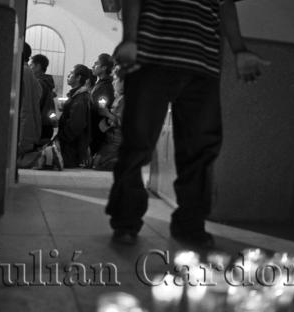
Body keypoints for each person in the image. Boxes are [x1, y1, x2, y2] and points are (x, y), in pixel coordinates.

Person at [106, 0, 270, 246]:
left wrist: (239, 49)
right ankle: (126, 221)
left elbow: (225, 5)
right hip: (152, 58)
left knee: (201, 150)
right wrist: (130, 38)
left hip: (202, 65)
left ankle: (190, 225)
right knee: (137, 143)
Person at [57, 64, 92, 168]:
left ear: (78, 77)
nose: (68, 75)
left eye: (71, 73)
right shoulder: (77, 96)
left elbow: (76, 124)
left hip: (71, 149)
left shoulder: (80, 98)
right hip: (70, 147)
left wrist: (61, 137)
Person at [92, 66, 124, 171]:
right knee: (96, 162)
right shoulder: (118, 98)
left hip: (118, 140)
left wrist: (107, 114)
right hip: (110, 137)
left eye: (116, 79)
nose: (113, 82)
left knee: (98, 163)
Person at [17, 42, 42, 168]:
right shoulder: (30, 73)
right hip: (30, 126)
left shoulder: (21, 71)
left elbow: (22, 105)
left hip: (22, 126)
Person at [89, 53, 115, 156]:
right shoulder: (99, 84)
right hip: (94, 126)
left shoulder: (106, 86)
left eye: (96, 64)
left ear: (104, 67)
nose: (93, 66)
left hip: (98, 128)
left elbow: (100, 107)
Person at [30, 54, 57, 142]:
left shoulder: (39, 84)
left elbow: (33, 106)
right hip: (47, 127)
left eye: (31, 65)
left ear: (38, 66)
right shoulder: (47, 83)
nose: (29, 68)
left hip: (39, 127)